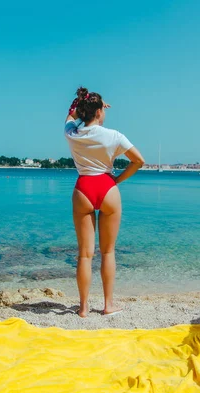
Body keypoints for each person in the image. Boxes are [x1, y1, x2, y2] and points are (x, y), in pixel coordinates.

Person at [64, 87, 145, 318]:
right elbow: (139, 161)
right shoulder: (114, 136)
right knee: (108, 252)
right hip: (107, 187)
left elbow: (70, 117)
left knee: (84, 254)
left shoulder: (72, 133)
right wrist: (117, 179)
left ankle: (83, 308)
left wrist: (79, 105)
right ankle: (108, 305)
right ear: (100, 111)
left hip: (83, 189)